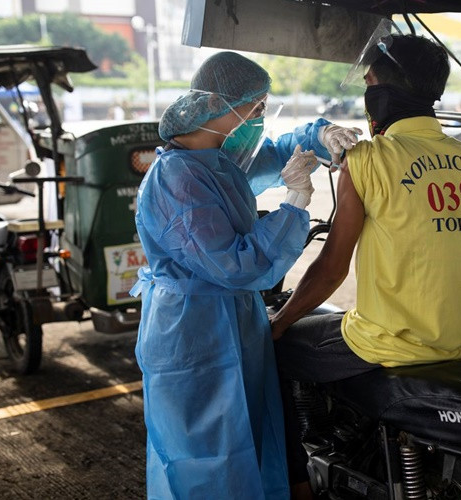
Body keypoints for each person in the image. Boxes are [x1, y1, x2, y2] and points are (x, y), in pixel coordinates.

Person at [270, 31, 461, 498]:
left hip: (383, 343)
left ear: (383, 91)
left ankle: (297, 485)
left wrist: (279, 321)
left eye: (369, 82)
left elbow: (331, 268)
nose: (365, 93)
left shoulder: (368, 159)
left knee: (274, 351)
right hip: (457, 343)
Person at [128, 51, 361, 499]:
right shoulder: (177, 177)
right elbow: (236, 265)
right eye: (254, 107)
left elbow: (282, 149)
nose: (259, 118)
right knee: (204, 463)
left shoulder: (221, 161)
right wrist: (294, 201)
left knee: (250, 449)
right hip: (192, 335)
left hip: (234, 325)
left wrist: (322, 133)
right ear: (217, 104)